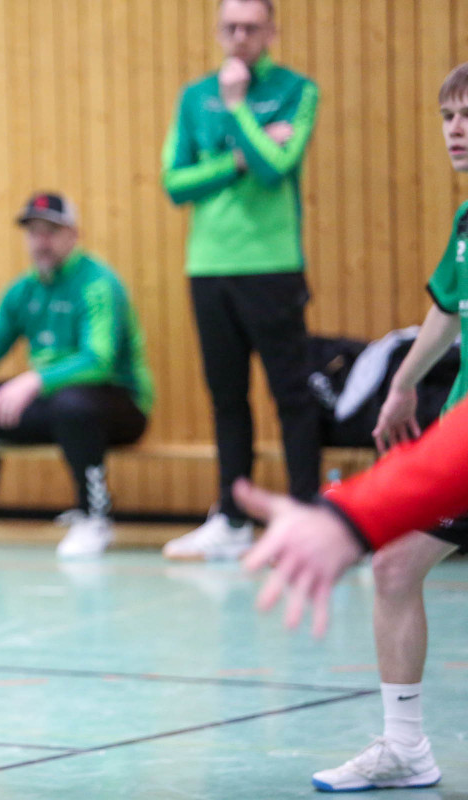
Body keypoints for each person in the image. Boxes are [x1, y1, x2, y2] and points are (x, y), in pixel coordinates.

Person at [243, 61, 468, 794]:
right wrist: (402, 384)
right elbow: (448, 307)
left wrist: (347, 517)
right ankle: (405, 747)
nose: (456, 129)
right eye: (448, 116)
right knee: (396, 564)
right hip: (458, 438)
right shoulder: (467, 222)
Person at [160, 0, 321, 561]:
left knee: (291, 394)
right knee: (227, 397)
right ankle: (231, 518)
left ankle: (307, 516)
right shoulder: (193, 96)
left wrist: (237, 109)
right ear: (218, 31)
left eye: (251, 27)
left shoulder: (297, 90)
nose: (240, 36)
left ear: (271, 31)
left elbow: (278, 167)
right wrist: (237, 160)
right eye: (230, 27)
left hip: (272, 267)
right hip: (208, 268)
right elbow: (176, 183)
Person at [0, 192, 152, 558]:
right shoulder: (23, 290)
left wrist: (34, 380)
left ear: (73, 235)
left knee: (73, 405)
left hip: (118, 405)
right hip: (52, 406)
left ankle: (94, 516)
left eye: (51, 231)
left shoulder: (97, 283)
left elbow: (98, 360)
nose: (41, 241)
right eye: (34, 232)